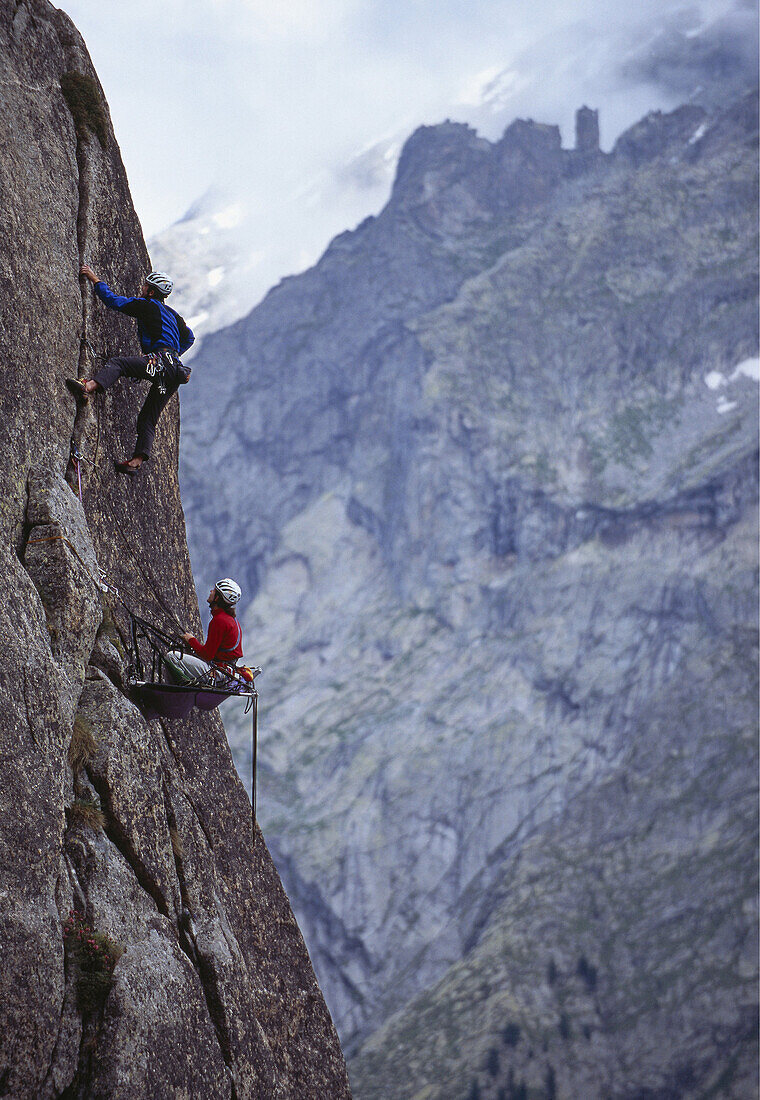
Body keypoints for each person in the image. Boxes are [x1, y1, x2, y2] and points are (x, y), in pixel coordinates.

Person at [69, 265, 195, 475]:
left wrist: (95, 279)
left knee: (119, 364)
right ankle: (136, 461)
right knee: (148, 418)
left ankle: (88, 386)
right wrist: (174, 354)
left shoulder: (147, 305)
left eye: (146, 286)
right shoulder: (174, 316)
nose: (142, 288)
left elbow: (114, 301)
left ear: (152, 292)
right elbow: (189, 337)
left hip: (160, 362)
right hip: (175, 372)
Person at [163, 578, 244, 686]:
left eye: (214, 591)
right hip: (227, 672)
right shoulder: (232, 620)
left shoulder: (219, 621)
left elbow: (207, 655)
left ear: (217, 598)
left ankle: (182, 688)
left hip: (218, 673)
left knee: (172, 656)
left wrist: (191, 640)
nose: (211, 591)